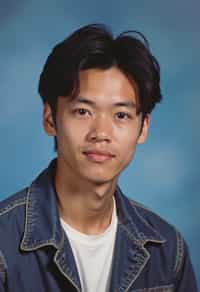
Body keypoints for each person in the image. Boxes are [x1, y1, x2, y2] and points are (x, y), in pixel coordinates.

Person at [0, 24, 197, 292]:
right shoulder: (4, 244)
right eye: (83, 111)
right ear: (50, 119)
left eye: (121, 115)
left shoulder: (168, 250)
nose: (101, 133)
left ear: (143, 128)